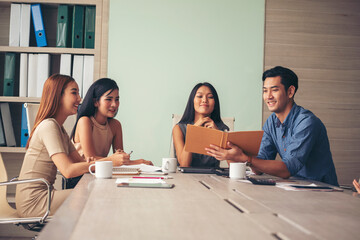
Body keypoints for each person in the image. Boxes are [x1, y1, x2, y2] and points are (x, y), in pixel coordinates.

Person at [206, 66, 339, 186]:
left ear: (290, 91)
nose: (268, 96)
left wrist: (245, 158)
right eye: (265, 91)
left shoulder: (307, 122)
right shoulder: (271, 122)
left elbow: (287, 169)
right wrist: (231, 150)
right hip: (296, 188)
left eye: (274, 90)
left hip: (322, 190)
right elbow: (258, 167)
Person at [16, 74, 125, 218]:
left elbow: (81, 162)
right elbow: (67, 170)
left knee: (98, 191)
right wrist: (109, 161)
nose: (79, 99)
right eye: (74, 93)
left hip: (46, 195)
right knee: (97, 194)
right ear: (58, 96)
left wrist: (97, 162)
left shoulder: (59, 129)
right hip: (34, 202)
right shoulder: (49, 126)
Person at [71, 78, 152, 165]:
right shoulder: (85, 121)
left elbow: (120, 161)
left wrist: (139, 163)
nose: (114, 104)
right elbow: (91, 159)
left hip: (100, 172)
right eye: (109, 99)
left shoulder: (115, 125)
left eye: (117, 99)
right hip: (80, 175)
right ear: (96, 102)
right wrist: (139, 162)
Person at [173, 82, 229, 167]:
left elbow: (234, 167)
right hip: (187, 179)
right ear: (192, 101)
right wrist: (193, 131)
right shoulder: (179, 128)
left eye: (210, 97)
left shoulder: (222, 128)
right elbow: (184, 164)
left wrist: (218, 135)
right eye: (199, 96)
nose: (204, 100)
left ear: (215, 103)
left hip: (214, 178)